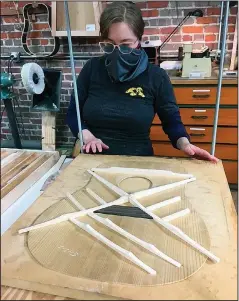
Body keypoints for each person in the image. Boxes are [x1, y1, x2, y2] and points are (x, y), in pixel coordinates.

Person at [66, 1, 218, 163]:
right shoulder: (92, 68)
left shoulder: (156, 77)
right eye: (109, 45)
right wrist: (87, 137)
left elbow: (171, 121)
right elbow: (73, 113)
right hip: (92, 161)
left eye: (125, 45)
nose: (118, 52)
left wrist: (185, 144)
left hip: (138, 162)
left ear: (139, 39)